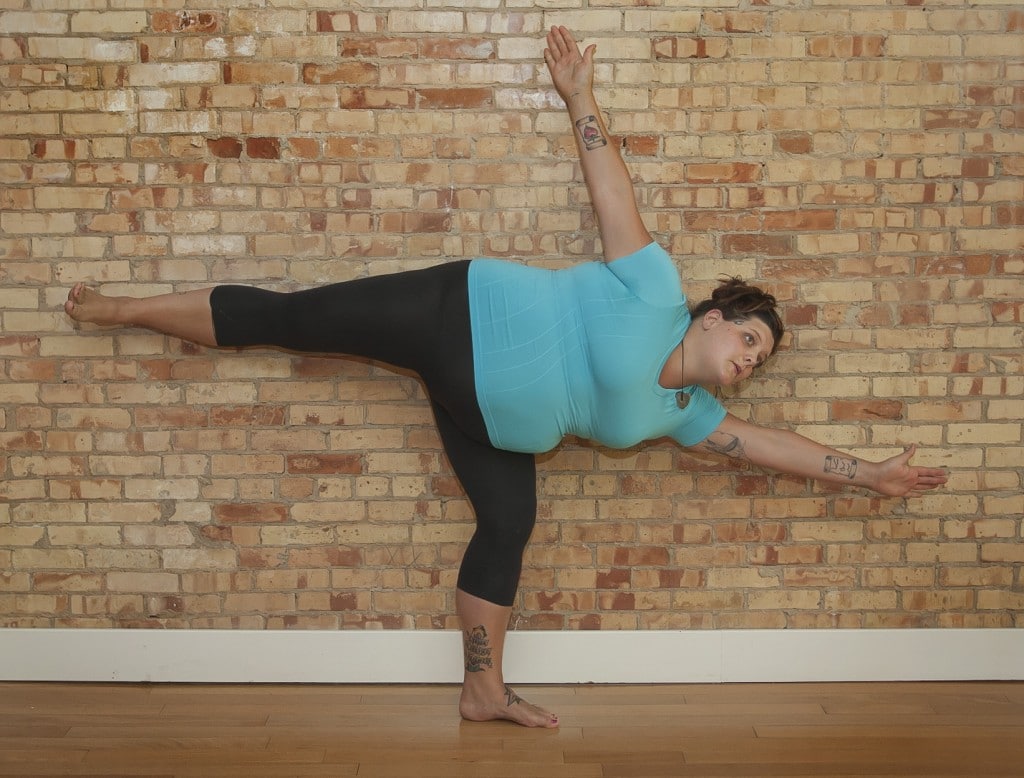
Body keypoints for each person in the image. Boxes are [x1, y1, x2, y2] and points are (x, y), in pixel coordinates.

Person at [64, 27, 948, 728]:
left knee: (508, 519)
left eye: (760, 357)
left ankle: (481, 692)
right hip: (455, 314)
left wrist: (867, 473)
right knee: (291, 319)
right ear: (711, 317)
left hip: (482, 419)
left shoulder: (686, 413)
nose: (751, 358)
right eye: (750, 337)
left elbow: (767, 447)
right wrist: (581, 100)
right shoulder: (651, 288)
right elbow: (610, 192)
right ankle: (120, 309)